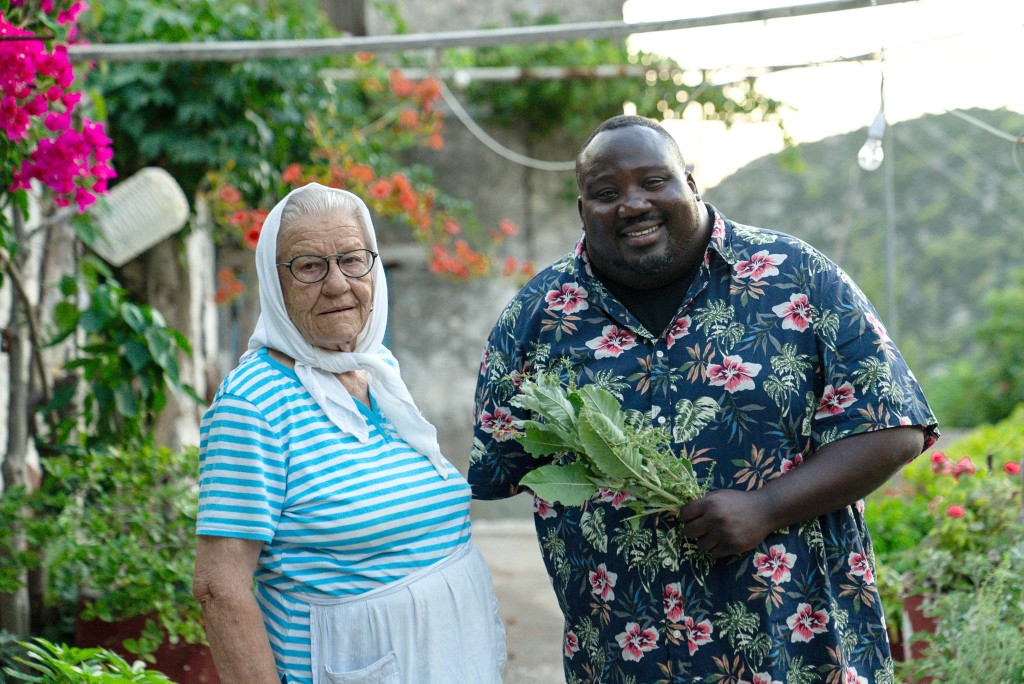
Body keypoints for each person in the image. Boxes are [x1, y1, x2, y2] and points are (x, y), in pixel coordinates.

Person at [470, 115, 938, 684]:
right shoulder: (537, 318)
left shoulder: (795, 277)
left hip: (797, 651)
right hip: (623, 658)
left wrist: (768, 507)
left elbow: (895, 428)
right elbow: (500, 469)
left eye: (653, 181)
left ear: (692, 184)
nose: (632, 204)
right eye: (606, 193)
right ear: (582, 210)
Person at [193, 182, 506, 684]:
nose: (338, 283)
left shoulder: (375, 368)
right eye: (310, 266)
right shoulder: (252, 405)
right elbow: (219, 587)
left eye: (352, 259)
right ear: (274, 284)